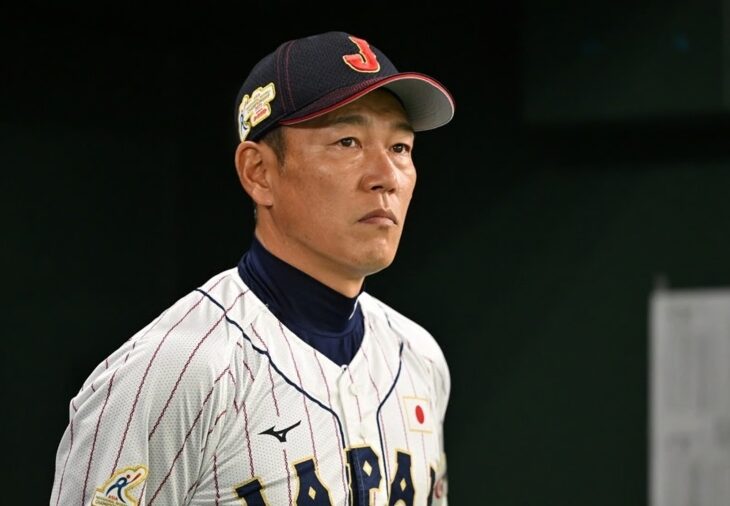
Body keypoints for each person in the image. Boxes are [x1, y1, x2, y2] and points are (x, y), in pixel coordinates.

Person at [50, 30, 455, 506]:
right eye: (347, 141)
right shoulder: (174, 369)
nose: (386, 177)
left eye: (400, 147)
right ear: (258, 173)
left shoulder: (419, 358)